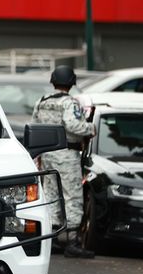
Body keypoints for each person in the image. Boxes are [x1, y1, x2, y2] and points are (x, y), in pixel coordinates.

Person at [31, 65, 96, 259]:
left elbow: (34, 126)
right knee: (72, 195)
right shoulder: (70, 103)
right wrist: (91, 128)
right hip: (67, 154)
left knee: (51, 194)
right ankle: (72, 240)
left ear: (53, 81)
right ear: (71, 83)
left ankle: (52, 238)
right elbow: (73, 125)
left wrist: (39, 155)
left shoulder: (42, 102)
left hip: (48, 153)